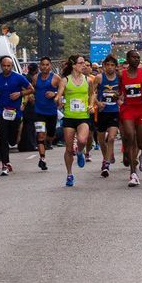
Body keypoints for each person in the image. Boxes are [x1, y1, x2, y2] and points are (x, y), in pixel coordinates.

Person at [0, 56, 34, 176]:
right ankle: (5, 164)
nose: (6, 68)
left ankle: (14, 138)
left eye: (9, 66)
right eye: (4, 66)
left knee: (12, 140)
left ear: (12, 66)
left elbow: (31, 89)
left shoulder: (18, 77)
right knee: (3, 138)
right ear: (1, 66)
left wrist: (20, 93)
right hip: (2, 112)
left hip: (15, 113)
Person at [54, 55, 92, 187]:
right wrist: (58, 98)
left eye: (85, 64)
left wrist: (91, 105)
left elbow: (92, 94)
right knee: (69, 149)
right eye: (81, 63)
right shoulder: (65, 80)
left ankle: (81, 152)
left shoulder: (88, 80)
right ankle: (69, 174)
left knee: (82, 141)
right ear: (74, 65)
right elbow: (59, 93)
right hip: (69, 117)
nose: (84, 65)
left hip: (83, 117)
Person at [119, 49, 142, 187]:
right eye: (133, 57)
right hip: (128, 108)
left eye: (138, 57)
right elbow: (119, 91)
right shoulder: (121, 74)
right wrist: (117, 96)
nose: (136, 59)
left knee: (140, 141)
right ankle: (133, 174)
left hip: (141, 108)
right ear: (127, 59)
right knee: (129, 135)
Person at [92, 55, 121, 178]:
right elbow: (92, 94)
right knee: (101, 140)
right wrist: (98, 103)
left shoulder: (119, 78)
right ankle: (106, 157)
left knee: (112, 138)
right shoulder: (99, 78)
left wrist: (119, 99)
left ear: (115, 67)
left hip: (114, 111)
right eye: (107, 65)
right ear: (104, 66)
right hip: (102, 112)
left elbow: (122, 93)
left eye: (112, 65)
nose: (110, 67)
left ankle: (106, 164)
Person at [32, 56, 60, 171]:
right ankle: (42, 159)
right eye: (42, 64)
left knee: (50, 135)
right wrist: (31, 97)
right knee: (40, 135)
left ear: (50, 66)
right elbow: (31, 90)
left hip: (51, 112)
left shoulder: (56, 78)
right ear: (39, 66)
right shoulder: (35, 78)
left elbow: (64, 91)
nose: (44, 67)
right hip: (39, 111)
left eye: (47, 65)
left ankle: (48, 142)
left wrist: (54, 94)